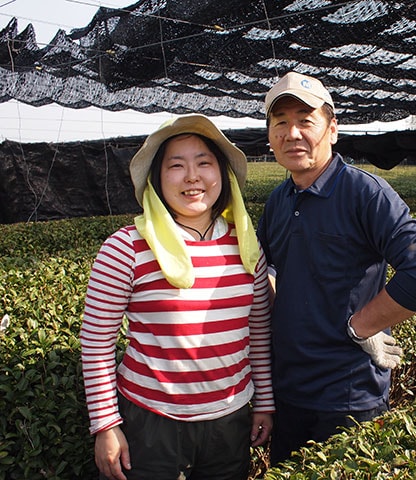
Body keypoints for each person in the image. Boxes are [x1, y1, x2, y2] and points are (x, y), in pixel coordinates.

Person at [256, 72, 416, 465]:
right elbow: (268, 267)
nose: (292, 133)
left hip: (346, 395)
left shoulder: (365, 193)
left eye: (305, 121)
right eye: (281, 123)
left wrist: (362, 325)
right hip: (288, 389)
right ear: (271, 135)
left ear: (333, 129)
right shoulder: (278, 199)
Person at [80, 114, 274, 480]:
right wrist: (106, 425)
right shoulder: (126, 247)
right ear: (156, 178)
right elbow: (96, 343)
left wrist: (264, 401)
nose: (192, 177)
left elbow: (258, 335)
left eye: (204, 163)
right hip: (149, 422)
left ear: (224, 175)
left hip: (230, 419)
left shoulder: (248, 248)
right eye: (176, 166)